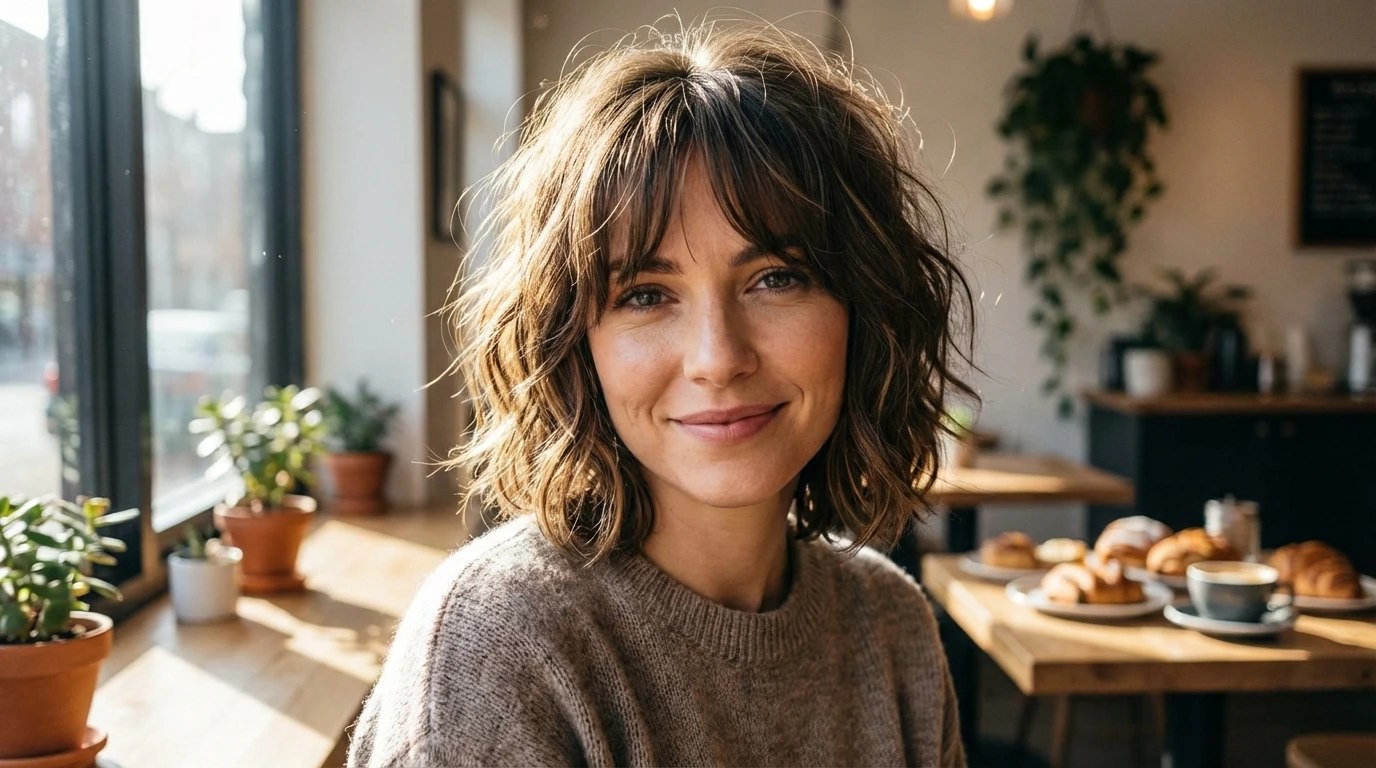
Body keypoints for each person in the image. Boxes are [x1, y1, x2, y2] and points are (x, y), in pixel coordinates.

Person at [349, 18, 974, 768]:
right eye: (646, 294)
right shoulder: (500, 647)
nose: (718, 358)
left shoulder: (892, 627)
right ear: (575, 343)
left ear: (863, 311)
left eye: (776, 278)